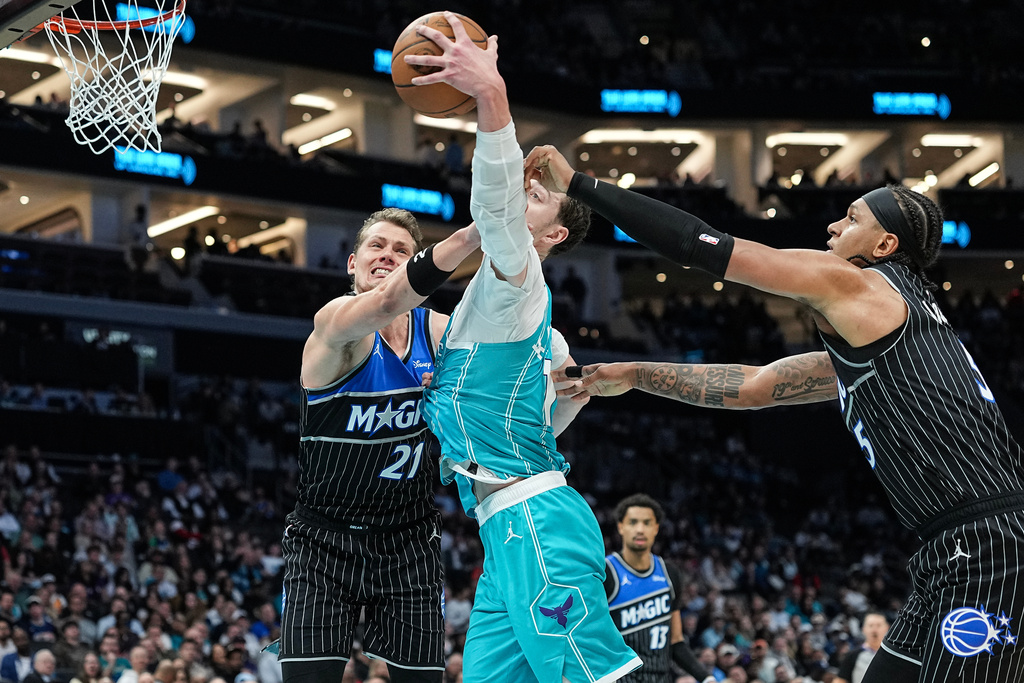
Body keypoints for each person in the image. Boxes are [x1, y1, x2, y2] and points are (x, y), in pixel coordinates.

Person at [529, 145, 1024, 683]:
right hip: (952, 549)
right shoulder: (891, 328)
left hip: (990, 549)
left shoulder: (858, 284)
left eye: (853, 217)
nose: (834, 225)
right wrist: (632, 374)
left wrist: (579, 185)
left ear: (884, 245)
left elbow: (702, 246)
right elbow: (759, 386)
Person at [405, 13, 640, 682]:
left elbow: (494, 206)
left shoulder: (517, 286)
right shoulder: (506, 317)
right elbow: (547, 422)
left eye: (537, 198)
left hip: (537, 521)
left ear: (556, 234)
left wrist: (492, 96)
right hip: (503, 532)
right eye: (525, 191)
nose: (520, 199)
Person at [276, 209, 479, 683]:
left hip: (408, 539)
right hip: (325, 537)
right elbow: (388, 303)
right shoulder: (334, 323)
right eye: (377, 246)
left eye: (401, 250)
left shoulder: (437, 333)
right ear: (352, 262)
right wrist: (476, 231)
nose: (388, 255)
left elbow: (501, 341)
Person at [606, 494, 714, 683]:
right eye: (633, 522)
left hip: (661, 678)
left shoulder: (669, 573)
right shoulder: (606, 572)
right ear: (620, 527)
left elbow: (676, 641)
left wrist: (706, 678)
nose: (640, 529)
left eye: (647, 523)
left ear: (656, 528)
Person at [836, 612, 889, 683]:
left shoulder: (893, 655)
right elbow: (840, 680)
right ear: (863, 629)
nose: (874, 630)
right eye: (870, 626)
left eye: (878, 625)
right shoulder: (852, 655)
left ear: (887, 628)